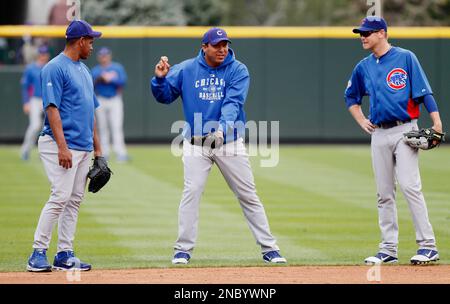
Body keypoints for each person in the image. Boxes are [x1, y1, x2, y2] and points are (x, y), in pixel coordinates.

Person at [150, 27, 286, 265]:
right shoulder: (185, 69)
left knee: (247, 194)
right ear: (204, 47)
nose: (223, 49)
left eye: (225, 44)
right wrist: (159, 79)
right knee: (191, 193)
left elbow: (233, 103)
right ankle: (182, 250)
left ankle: (269, 248)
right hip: (196, 144)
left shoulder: (238, 69)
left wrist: (222, 128)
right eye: (217, 45)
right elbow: (163, 97)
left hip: (229, 141)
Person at [344, 16, 443, 265]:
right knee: (384, 193)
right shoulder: (363, 66)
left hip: (405, 131)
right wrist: (361, 120)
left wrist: (437, 122)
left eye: (367, 33)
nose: (362, 37)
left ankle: (428, 246)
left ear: (382, 33)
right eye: (360, 33)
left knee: (410, 187)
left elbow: (424, 93)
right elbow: (351, 98)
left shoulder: (405, 57)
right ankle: (388, 249)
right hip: (379, 133)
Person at [26, 20, 103, 272]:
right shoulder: (54, 68)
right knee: (60, 196)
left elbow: (91, 112)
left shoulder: (84, 70)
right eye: (90, 41)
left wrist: (98, 151)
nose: (92, 46)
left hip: (82, 146)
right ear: (80, 41)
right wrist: (62, 146)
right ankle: (37, 252)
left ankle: (65, 254)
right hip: (59, 143)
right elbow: (51, 108)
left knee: (74, 199)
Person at [92, 47, 129, 162]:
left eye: (106, 55)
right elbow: (92, 83)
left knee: (116, 126)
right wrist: (101, 78)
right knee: (102, 127)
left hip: (114, 99)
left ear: (109, 56)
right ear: (99, 57)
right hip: (101, 99)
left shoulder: (117, 67)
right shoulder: (96, 70)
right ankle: (105, 153)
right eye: (102, 56)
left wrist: (111, 79)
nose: (104, 58)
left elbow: (123, 81)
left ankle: (121, 153)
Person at [20, 45, 50, 161]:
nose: (43, 56)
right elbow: (25, 86)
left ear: (47, 55)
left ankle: (44, 153)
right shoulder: (31, 68)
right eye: (41, 54)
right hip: (35, 99)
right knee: (35, 126)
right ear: (38, 55)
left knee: (48, 128)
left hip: (48, 100)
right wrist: (26, 102)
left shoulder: (50, 67)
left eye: (45, 54)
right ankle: (25, 150)